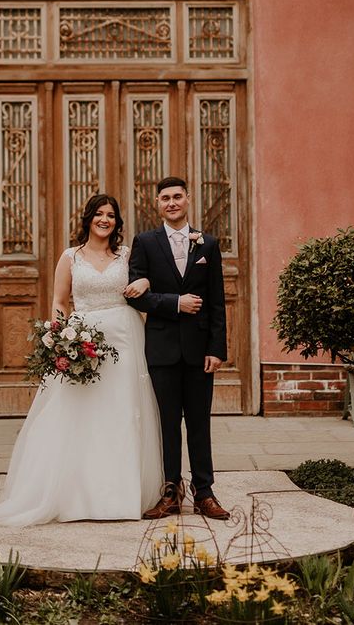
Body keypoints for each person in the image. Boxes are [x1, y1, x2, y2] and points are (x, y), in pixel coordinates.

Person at [0, 194, 164, 526]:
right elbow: (59, 301)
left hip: (125, 338)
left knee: (123, 412)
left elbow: (148, 279)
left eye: (111, 215)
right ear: (88, 219)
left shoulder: (127, 255)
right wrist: (59, 336)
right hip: (83, 339)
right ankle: (76, 495)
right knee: (80, 413)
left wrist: (145, 280)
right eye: (99, 214)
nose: (105, 220)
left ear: (117, 222)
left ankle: (121, 496)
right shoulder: (71, 257)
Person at [127, 176, 230, 520]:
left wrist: (217, 349)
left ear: (188, 199)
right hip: (161, 349)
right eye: (165, 198)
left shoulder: (209, 244)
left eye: (177, 197)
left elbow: (217, 301)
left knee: (199, 423)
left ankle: (205, 492)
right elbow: (135, 296)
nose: (171, 203)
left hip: (200, 351)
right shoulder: (144, 242)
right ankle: (171, 491)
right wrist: (175, 303)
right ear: (157, 204)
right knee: (167, 424)